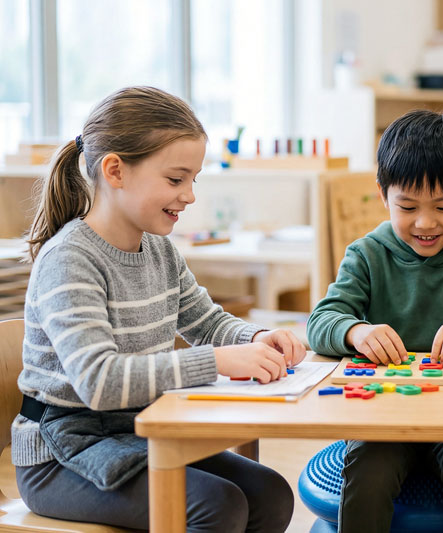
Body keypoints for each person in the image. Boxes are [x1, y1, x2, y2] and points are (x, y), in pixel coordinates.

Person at [13, 86, 304, 532]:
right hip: (61, 454)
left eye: (193, 180)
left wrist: (256, 339)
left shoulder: (159, 251)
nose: (189, 196)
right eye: (175, 179)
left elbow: (205, 321)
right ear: (115, 170)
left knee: (270, 494)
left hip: (138, 433)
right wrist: (219, 360)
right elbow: (99, 382)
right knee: (216, 505)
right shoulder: (70, 259)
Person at [307, 109, 443, 532]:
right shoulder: (365, 254)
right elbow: (321, 321)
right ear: (383, 195)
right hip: (384, 409)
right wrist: (356, 330)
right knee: (368, 471)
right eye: (407, 206)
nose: (425, 222)